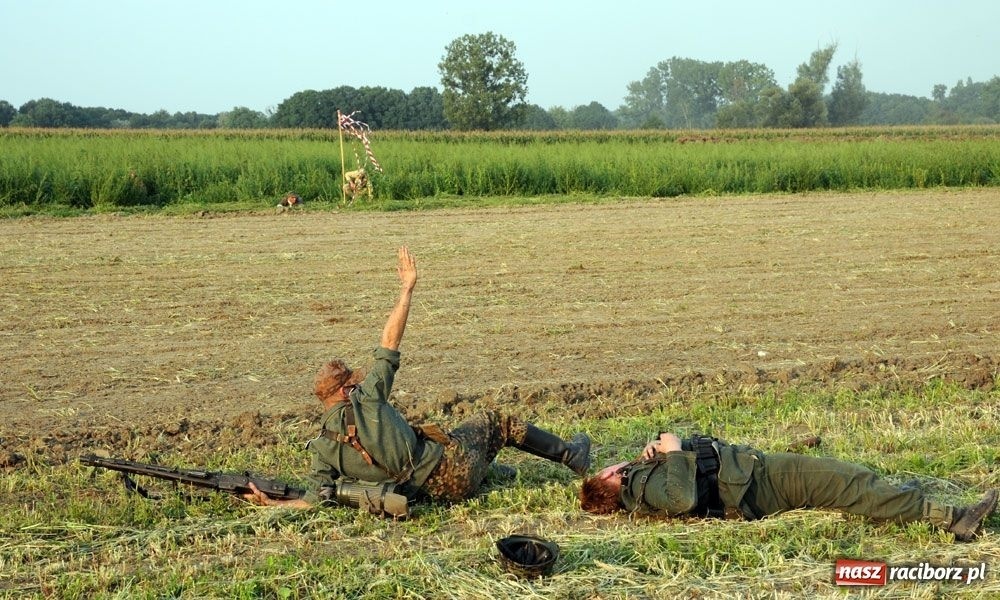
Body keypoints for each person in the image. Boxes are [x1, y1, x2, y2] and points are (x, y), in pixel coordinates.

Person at [244, 246, 591, 510]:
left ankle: (494, 472)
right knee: (496, 422)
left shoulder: (322, 448)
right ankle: (570, 456)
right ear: (347, 388)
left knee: (446, 436)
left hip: (430, 496)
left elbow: (312, 501)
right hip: (454, 473)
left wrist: (272, 503)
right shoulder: (367, 397)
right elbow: (389, 343)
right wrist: (407, 289)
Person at [579, 432, 998, 542]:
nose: (611, 466)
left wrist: (659, 452)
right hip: (761, 484)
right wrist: (672, 450)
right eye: (606, 471)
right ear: (608, 484)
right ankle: (955, 520)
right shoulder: (641, 492)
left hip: (756, 474)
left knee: (850, 478)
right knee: (849, 483)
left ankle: (894, 499)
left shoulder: (638, 479)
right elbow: (681, 498)